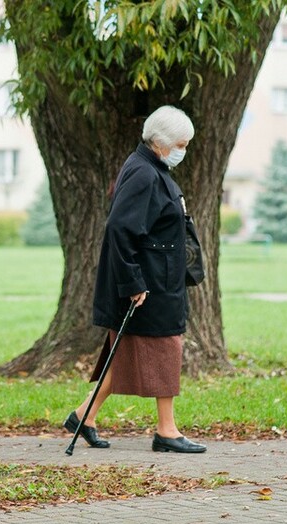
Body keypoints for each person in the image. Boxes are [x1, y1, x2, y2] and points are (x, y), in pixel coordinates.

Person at [63, 105, 207, 454]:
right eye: (181, 145)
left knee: (125, 354)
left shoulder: (150, 167)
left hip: (159, 279)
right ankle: (166, 431)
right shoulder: (144, 173)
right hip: (149, 283)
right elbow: (120, 228)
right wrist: (133, 283)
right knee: (167, 349)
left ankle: (83, 416)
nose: (183, 151)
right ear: (161, 142)